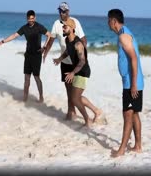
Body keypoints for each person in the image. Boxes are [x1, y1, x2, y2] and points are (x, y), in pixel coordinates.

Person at [107, 9, 144, 158]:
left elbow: (134, 58)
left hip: (131, 83)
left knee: (127, 115)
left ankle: (122, 149)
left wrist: (133, 84)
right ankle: (138, 145)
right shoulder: (125, 32)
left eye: (108, 20)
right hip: (132, 81)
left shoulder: (123, 36)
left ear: (114, 21)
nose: (107, 23)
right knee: (134, 114)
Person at [0, 10, 51, 103]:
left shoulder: (39, 27)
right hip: (28, 55)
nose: (31, 20)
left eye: (32, 18)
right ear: (27, 19)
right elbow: (14, 35)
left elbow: (49, 35)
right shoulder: (24, 28)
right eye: (29, 19)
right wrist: (2, 42)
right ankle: (25, 97)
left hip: (37, 56)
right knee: (26, 77)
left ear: (35, 18)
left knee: (36, 77)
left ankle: (41, 97)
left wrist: (44, 47)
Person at [53, 18, 102, 127]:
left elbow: (82, 61)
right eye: (62, 26)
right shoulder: (67, 40)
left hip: (82, 71)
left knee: (75, 99)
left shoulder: (78, 44)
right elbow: (67, 51)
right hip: (76, 70)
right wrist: (59, 59)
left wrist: (72, 73)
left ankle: (87, 120)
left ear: (72, 28)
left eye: (65, 26)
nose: (63, 28)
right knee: (77, 97)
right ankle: (96, 111)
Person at [44, 2, 87, 120]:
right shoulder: (57, 24)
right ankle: (71, 112)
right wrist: (46, 53)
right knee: (68, 89)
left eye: (63, 11)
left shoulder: (74, 22)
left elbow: (83, 40)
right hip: (65, 62)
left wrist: (82, 56)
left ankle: (92, 112)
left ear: (68, 12)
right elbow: (51, 40)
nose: (61, 13)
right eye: (60, 11)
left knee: (75, 93)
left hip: (75, 64)